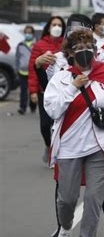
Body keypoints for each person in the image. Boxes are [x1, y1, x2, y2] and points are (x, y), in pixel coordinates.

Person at [44, 30, 104, 237]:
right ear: (69, 53)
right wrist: (73, 87)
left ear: (96, 51)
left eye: (89, 46)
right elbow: (52, 110)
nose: (85, 51)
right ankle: (66, 228)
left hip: (100, 149)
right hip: (69, 148)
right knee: (67, 199)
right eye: (79, 48)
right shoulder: (60, 79)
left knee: (93, 200)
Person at [28, 16, 66, 164]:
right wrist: (32, 91)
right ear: (49, 27)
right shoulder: (39, 45)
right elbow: (33, 69)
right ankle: (48, 145)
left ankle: (61, 153)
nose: (56, 27)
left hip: (63, 93)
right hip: (44, 92)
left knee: (60, 125)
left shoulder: (66, 44)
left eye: (59, 25)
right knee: (45, 126)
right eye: (54, 24)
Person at [16, 25, 37, 115]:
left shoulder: (36, 44)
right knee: (23, 90)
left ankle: (33, 106)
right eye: (26, 32)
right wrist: (17, 68)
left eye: (29, 32)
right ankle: (22, 107)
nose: (27, 34)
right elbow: (17, 58)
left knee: (32, 90)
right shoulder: (20, 45)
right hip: (22, 71)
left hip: (33, 72)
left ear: (32, 34)